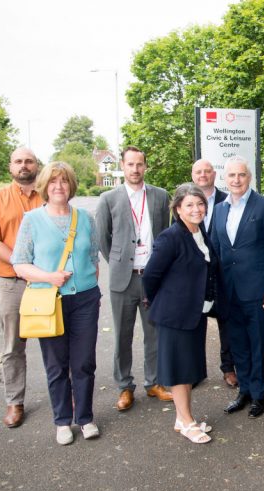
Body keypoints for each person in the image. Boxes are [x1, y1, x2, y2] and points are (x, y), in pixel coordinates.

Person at [11, 162, 102, 445]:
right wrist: (49, 277)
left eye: (63, 181)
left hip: (85, 300)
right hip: (48, 301)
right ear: (44, 187)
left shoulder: (85, 218)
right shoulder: (32, 220)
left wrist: (88, 285)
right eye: (53, 182)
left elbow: (93, 259)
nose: (58, 187)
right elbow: (20, 264)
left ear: (71, 185)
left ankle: (85, 417)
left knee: (84, 362)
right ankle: (62, 420)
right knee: (56, 364)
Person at [96, 146, 173, 411]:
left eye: (140, 164)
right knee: (122, 336)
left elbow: (165, 236)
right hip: (123, 280)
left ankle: (154, 383)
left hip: (152, 278)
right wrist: (119, 263)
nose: (135, 169)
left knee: (154, 334)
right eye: (130, 164)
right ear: (123, 166)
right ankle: (124, 387)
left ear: (145, 166)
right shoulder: (108, 198)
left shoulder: (161, 197)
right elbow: (102, 239)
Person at [143, 184, 220, 444]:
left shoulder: (199, 232)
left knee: (187, 368)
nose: (196, 209)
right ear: (178, 209)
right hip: (175, 316)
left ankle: (181, 418)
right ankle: (187, 422)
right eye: (189, 205)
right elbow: (151, 276)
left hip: (195, 313)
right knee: (179, 370)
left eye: (200, 204)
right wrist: (163, 303)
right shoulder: (171, 237)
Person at [211, 156, 264, 419]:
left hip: (258, 292)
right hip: (229, 292)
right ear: (225, 179)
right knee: (238, 344)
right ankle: (243, 390)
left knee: (258, 344)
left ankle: (258, 394)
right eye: (231, 176)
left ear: (249, 177)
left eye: (241, 175)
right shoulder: (219, 209)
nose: (236, 180)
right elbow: (217, 250)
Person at [0, 147, 43, 428]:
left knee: (56, 342)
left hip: (46, 283)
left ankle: (67, 397)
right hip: (12, 282)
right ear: (10, 167)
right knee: (13, 347)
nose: (23, 165)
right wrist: (20, 264)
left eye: (29, 161)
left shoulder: (49, 194)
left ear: (37, 165)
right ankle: (15, 402)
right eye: (18, 161)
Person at [191, 158, 236, 388]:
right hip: (195, 276)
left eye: (207, 171)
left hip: (222, 273)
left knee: (226, 322)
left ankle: (228, 368)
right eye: (198, 171)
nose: (203, 175)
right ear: (193, 175)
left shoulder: (226, 200)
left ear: (214, 175)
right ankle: (196, 371)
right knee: (195, 324)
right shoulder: (185, 201)